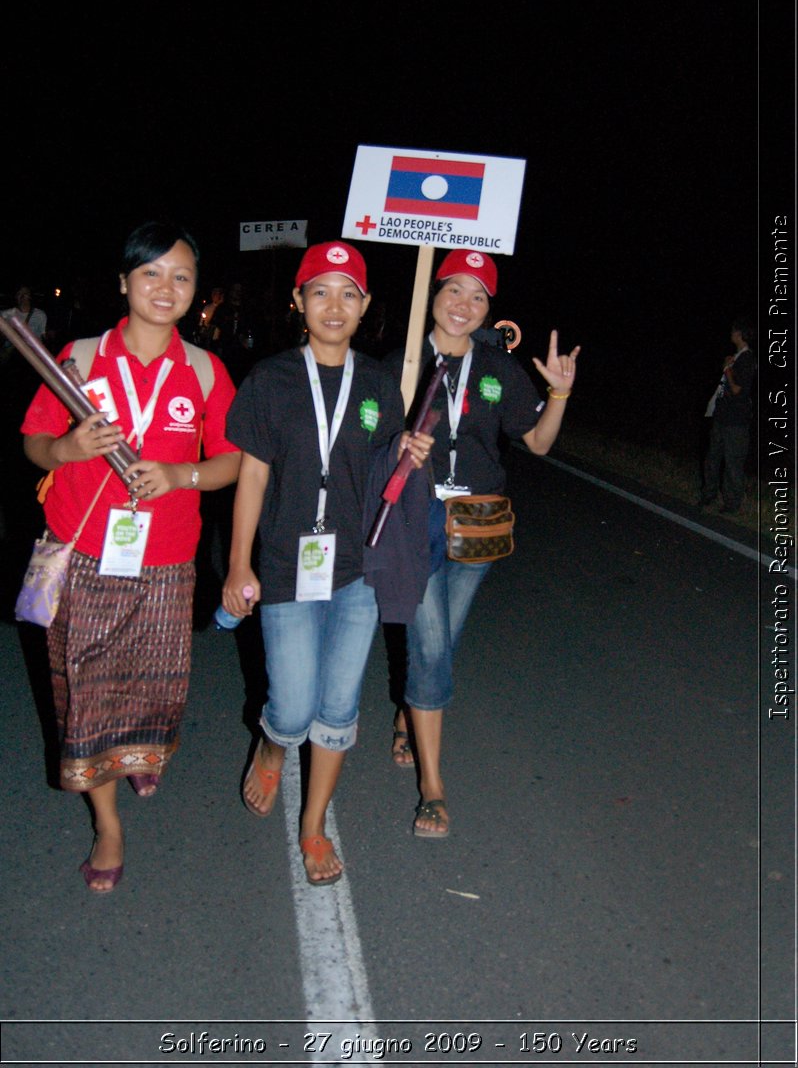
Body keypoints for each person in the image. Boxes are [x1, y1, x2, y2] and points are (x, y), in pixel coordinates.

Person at [20, 221, 241, 893]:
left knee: (155, 681)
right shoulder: (80, 359)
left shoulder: (204, 369)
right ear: (124, 282)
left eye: (181, 276)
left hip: (168, 559)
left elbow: (232, 460)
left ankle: (140, 752)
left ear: (196, 292)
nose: (165, 288)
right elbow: (34, 440)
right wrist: (67, 450)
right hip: (85, 552)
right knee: (87, 692)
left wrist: (181, 477)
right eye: (151, 273)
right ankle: (107, 823)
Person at [222, 241, 432, 886]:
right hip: (287, 564)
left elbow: (384, 471)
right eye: (320, 291)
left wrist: (406, 453)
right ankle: (271, 742)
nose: (334, 305)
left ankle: (313, 827)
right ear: (299, 302)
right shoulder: (270, 381)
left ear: (366, 306)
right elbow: (252, 478)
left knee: (337, 709)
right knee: (290, 710)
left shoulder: (378, 385)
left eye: (348, 293)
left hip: (356, 571)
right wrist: (238, 566)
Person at [385, 248, 580, 837]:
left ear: (488, 309)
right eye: (454, 290)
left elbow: (538, 444)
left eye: (478, 296)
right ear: (434, 295)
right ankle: (433, 787)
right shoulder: (401, 364)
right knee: (433, 646)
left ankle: (408, 710)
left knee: (444, 639)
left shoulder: (499, 371)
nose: (463, 304)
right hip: (415, 518)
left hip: (478, 522)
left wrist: (562, 395)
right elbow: (367, 445)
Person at [700, 317, 755, 515]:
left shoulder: (747, 359)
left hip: (735, 422)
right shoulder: (737, 357)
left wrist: (728, 369)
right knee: (713, 458)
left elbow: (738, 389)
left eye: (733, 331)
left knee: (733, 462)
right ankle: (709, 494)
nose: (731, 334)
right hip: (722, 417)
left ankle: (732, 503)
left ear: (740, 334)